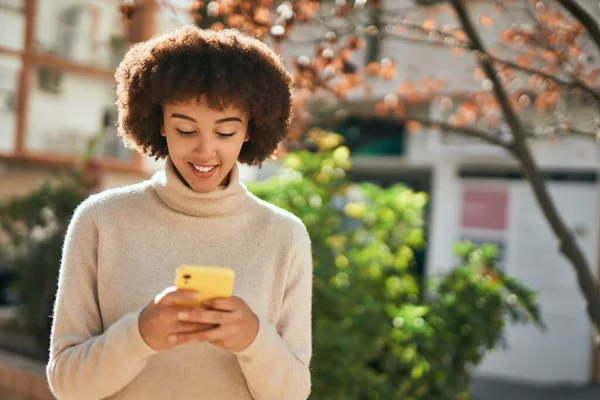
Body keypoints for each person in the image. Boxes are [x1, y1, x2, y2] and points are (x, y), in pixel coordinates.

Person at [47, 25, 313, 400]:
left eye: (225, 133)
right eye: (186, 130)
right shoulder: (101, 221)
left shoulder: (284, 235)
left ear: (251, 130)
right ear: (159, 123)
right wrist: (140, 335)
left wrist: (253, 340)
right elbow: (67, 383)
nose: (205, 152)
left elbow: (294, 393)